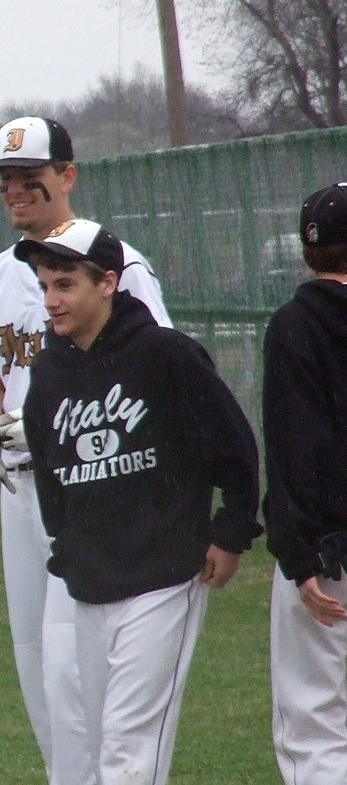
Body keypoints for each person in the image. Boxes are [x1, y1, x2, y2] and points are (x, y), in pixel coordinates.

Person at [0, 116, 171, 785]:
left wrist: (60, 423)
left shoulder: (117, 264)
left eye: (32, 178)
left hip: (93, 484)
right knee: (35, 663)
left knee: (71, 664)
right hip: (19, 489)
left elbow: (156, 372)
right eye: (7, 182)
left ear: (67, 175)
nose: (17, 191)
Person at [18, 218, 261, 785]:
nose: (52, 300)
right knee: (104, 738)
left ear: (107, 282)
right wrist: (67, 549)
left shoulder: (164, 354)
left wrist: (230, 532)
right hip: (91, 581)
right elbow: (51, 468)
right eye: (45, 286)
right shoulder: (50, 368)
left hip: (162, 575)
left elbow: (235, 447)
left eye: (65, 284)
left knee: (130, 752)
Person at [264, 183, 347, 785]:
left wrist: (299, 556)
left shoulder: (297, 325)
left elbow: (296, 447)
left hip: (328, 547)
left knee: (315, 721)